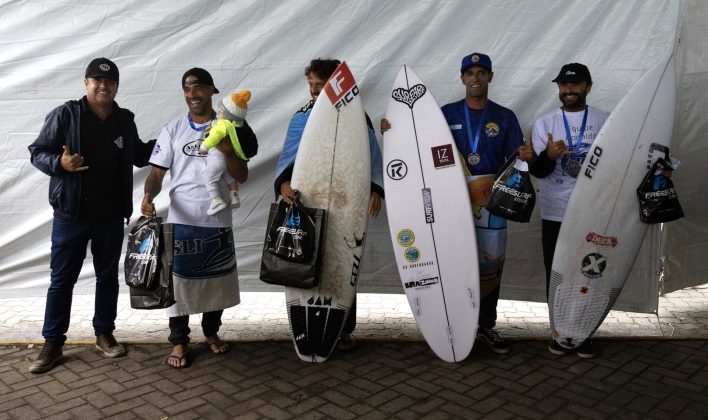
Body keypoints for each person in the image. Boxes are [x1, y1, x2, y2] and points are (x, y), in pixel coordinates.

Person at [382, 52, 527, 354]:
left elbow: (520, 159)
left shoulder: (505, 116)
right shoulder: (444, 114)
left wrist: (532, 156)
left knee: (489, 267)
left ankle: (485, 327)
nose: (475, 78)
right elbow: (416, 142)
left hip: (491, 204)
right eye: (470, 73)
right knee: (451, 262)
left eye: (481, 72)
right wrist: (393, 129)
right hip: (450, 201)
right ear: (461, 78)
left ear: (490, 76)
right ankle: (457, 326)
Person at [27, 57, 156, 373]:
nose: (103, 86)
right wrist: (60, 165)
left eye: (110, 82)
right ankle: (53, 343)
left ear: (116, 87)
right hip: (71, 215)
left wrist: (174, 141)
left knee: (107, 277)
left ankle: (104, 333)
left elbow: (139, 155)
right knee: (62, 280)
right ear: (86, 83)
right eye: (97, 80)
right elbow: (37, 152)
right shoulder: (66, 115)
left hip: (111, 216)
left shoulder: (124, 120)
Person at [141, 67, 257, 368]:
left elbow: (241, 175)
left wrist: (228, 151)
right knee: (178, 284)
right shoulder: (172, 130)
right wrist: (147, 196)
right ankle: (179, 340)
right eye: (187, 88)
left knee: (216, 282)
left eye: (198, 87)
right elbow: (156, 174)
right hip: (182, 217)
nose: (192, 94)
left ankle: (211, 332)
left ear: (212, 91)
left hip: (217, 219)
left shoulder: (229, 127)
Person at [274, 58, 384, 351]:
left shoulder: (357, 117)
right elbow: (288, 159)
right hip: (308, 198)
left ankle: (343, 328)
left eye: (319, 85)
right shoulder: (301, 117)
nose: (313, 90)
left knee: (344, 256)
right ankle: (306, 321)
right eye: (310, 84)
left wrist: (376, 189)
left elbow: (370, 156)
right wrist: (283, 185)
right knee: (306, 257)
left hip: (346, 202)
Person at [522, 63, 609, 359]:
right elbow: (539, 172)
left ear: (588, 86)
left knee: (587, 274)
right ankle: (559, 333)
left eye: (575, 85)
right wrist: (548, 155)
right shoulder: (545, 123)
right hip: (555, 213)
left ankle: (582, 334)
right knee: (558, 275)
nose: (569, 90)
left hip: (592, 213)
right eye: (563, 85)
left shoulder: (605, 120)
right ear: (558, 88)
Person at [199, 89, 252, 215]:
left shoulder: (221, 125)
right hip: (225, 160)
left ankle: (216, 200)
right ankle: (234, 196)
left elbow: (214, 136)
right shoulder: (233, 126)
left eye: (220, 110)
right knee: (228, 176)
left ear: (226, 114)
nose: (217, 112)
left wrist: (204, 146)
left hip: (217, 158)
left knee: (208, 176)